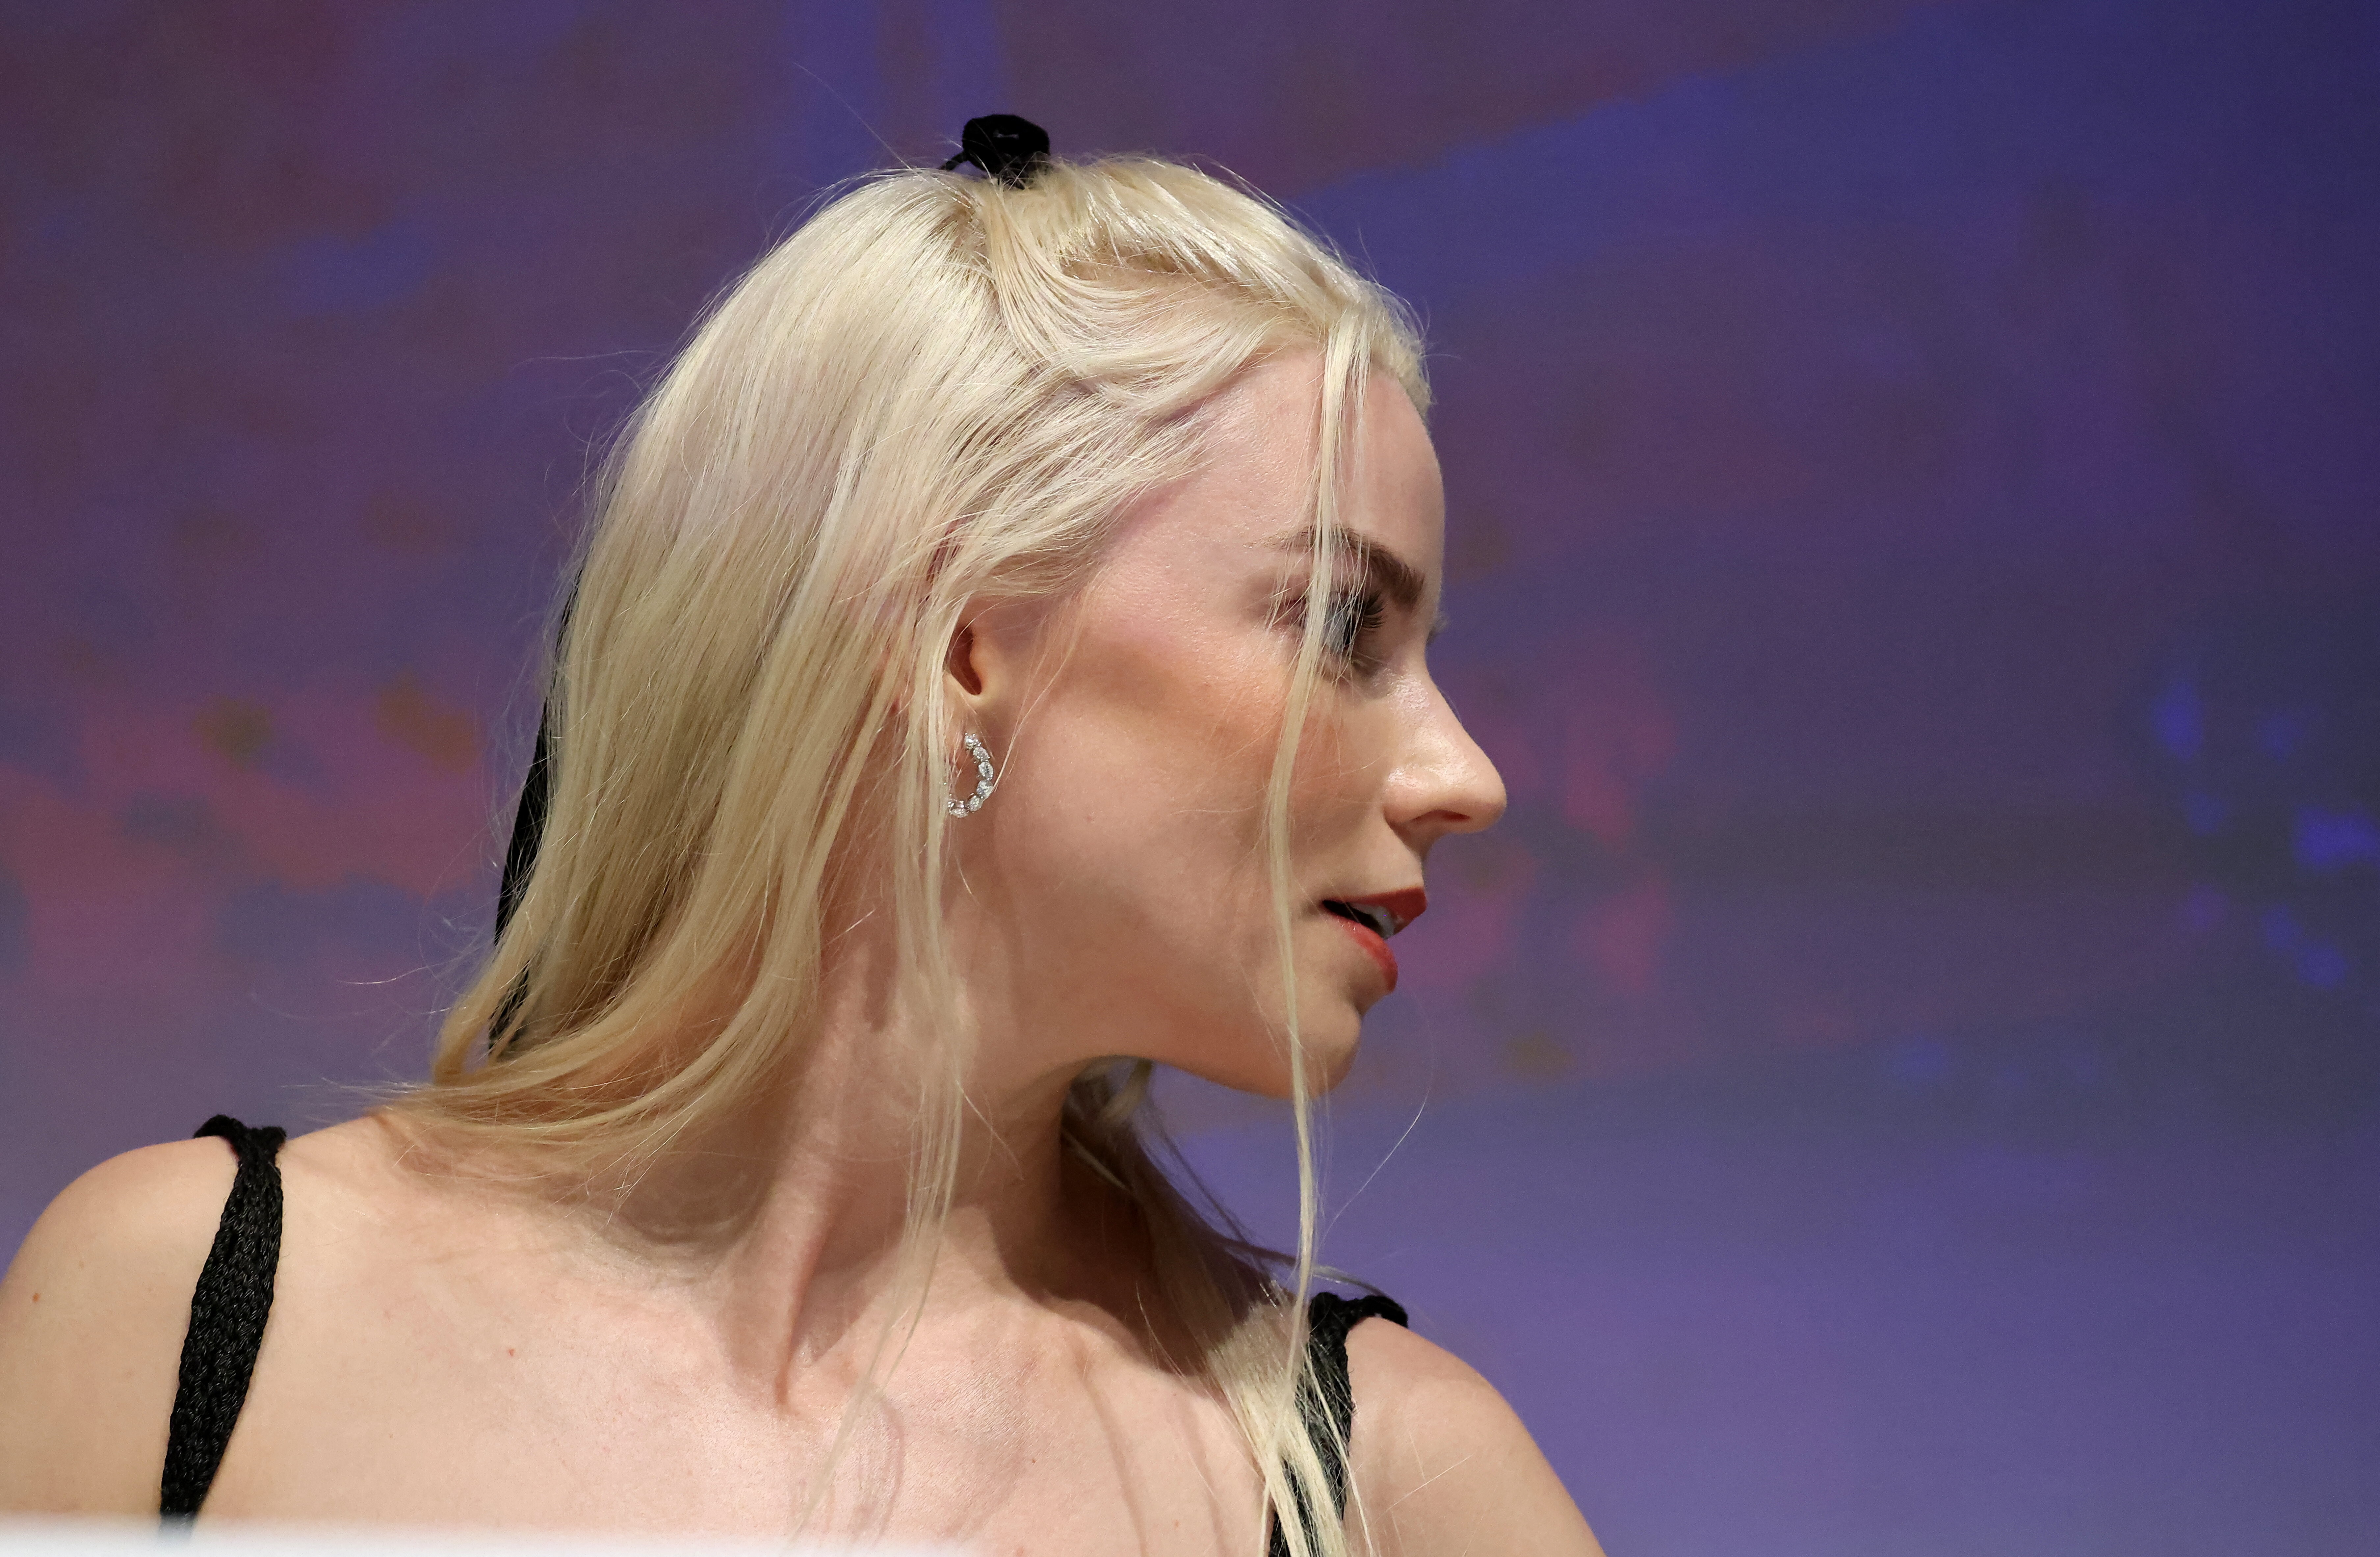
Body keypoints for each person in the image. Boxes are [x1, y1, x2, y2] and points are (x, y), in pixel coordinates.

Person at [0, 122, 1604, 1557]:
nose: (1461, 774)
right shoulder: (183, 1317)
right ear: (958, 642)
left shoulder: (1389, 1492)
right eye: (1339, 624)